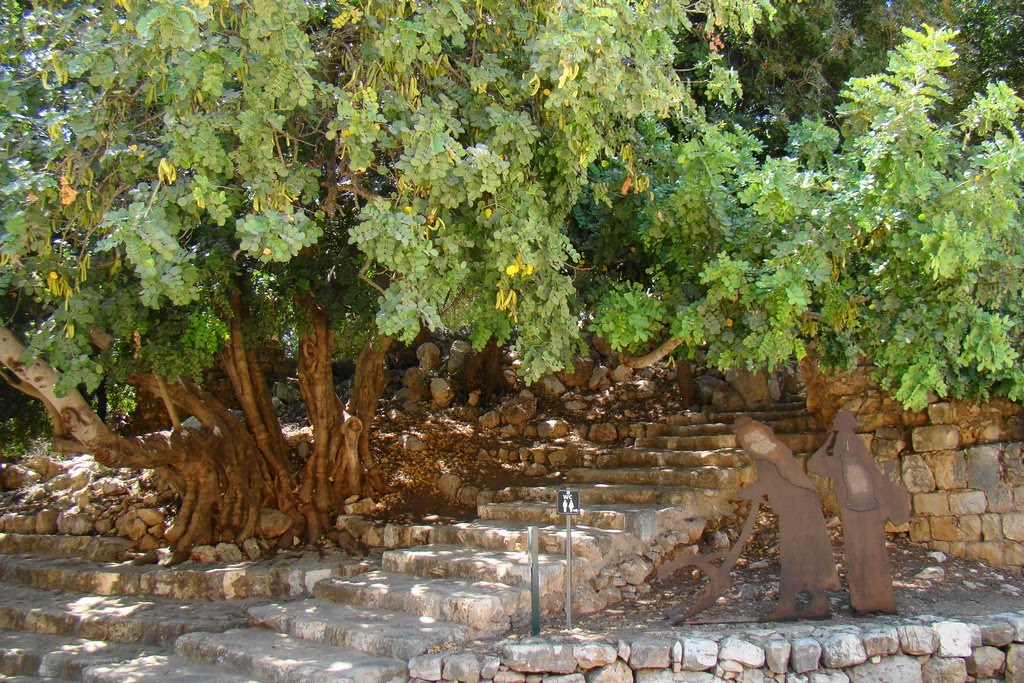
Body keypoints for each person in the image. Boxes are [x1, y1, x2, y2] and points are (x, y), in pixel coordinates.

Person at [733, 416, 840, 620]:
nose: (750, 441)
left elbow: (780, 480)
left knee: (793, 555)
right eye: (746, 438)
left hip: (799, 507)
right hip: (799, 504)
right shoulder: (766, 454)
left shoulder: (773, 453)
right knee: (804, 554)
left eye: (752, 436)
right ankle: (819, 602)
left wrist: (755, 491)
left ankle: (786, 606)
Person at [809, 412, 910, 614]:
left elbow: (815, 463)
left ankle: (869, 598)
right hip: (861, 508)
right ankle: (868, 598)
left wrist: (830, 439)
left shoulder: (847, 449)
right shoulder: (849, 450)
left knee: (865, 553)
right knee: (866, 553)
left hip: (861, 509)